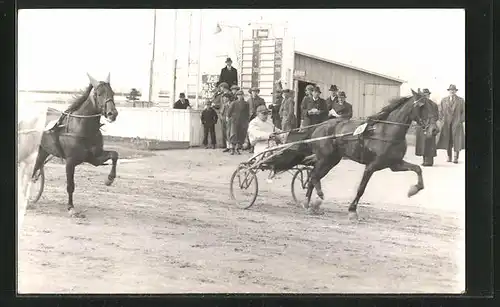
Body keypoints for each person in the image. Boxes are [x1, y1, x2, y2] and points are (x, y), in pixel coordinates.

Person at [436, 84, 465, 163]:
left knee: (457, 141)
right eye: (450, 90)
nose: (452, 91)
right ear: (448, 91)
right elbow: (440, 111)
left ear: (455, 91)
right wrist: (442, 120)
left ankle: (456, 158)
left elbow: (464, 112)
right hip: (446, 124)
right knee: (448, 140)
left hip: (457, 123)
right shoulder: (444, 100)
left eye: (453, 90)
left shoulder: (461, 100)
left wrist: (460, 121)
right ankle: (449, 157)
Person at [415, 88, 438, 166]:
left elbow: (437, 116)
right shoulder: (420, 104)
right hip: (422, 126)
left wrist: (431, 122)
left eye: (427, 95)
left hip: (431, 125)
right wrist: (421, 122)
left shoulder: (434, 104)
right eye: (424, 95)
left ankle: (429, 161)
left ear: (429, 95)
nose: (426, 96)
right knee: (423, 143)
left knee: (430, 143)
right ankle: (425, 160)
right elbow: (417, 115)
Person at [227, 90, 250, 155]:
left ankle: (237, 148)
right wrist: (229, 117)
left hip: (242, 121)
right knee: (233, 135)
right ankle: (232, 149)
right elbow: (229, 112)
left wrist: (246, 121)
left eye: (241, 95)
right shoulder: (234, 103)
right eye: (239, 95)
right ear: (237, 96)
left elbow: (247, 113)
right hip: (235, 121)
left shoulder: (246, 104)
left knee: (241, 135)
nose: (240, 96)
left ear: (243, 96)